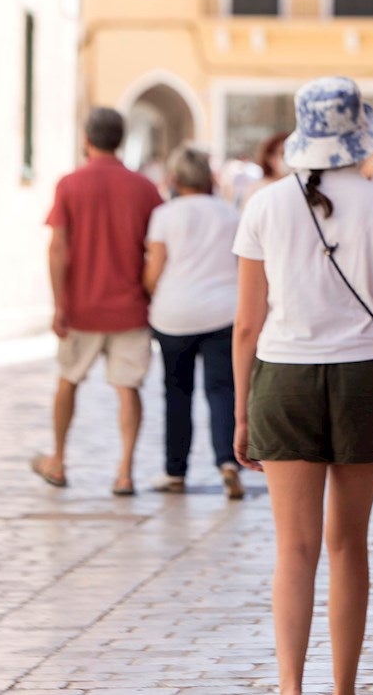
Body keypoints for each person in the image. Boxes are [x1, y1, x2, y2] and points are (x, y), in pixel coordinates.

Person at [231, 77, 373, 695]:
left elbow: (245, 324)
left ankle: (290, 687)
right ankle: (342, 688)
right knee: (347, 547)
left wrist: (241, 415)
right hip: (366, 380)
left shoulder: (263, 205)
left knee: (295, 549)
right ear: (358, 135)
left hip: (282, 380)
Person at [32, 107, 164, 495]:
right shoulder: (144, 188)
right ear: (119, 140)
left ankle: (57, 458)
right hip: (130, 307)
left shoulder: (70, 184)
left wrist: (59, 305)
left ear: (86, 138)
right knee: (128, 388)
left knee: (68, 382)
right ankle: (124, 472)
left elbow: (58, 247)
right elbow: (157, 248)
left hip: (82, 308)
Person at [144, 144, 243, 499]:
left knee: (176, 392)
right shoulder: (230, 214)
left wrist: (150, 292)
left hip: (175, 314)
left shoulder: (165, 214)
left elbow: (154, 270)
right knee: (222, 390)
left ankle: (175, 471)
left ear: (175, 178)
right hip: (223, 311)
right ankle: (228, 462)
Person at [241, 131, 290, 204]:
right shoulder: (258, 188)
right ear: (268, 158)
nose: (280, 159)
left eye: (285, 153)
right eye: (273, 154)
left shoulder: (299, 185)